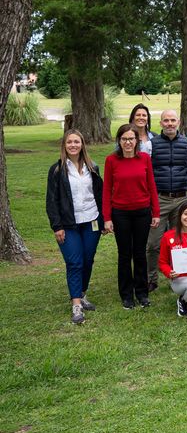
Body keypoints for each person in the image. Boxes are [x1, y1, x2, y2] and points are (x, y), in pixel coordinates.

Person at [46, 129, 104, 324]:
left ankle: (82, 293)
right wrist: (57, 226)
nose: (73, 145)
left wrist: (104, 220)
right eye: (69, 142)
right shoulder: (57, 170)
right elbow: (51, 202)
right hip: (69, 225)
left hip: (91, 221)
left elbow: (100, 195)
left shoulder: (92, 167)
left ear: (82, 144)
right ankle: (76, 304)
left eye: (76, 142)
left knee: (87, 261)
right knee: (74, 262)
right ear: (64, 145)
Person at [103, 124, 160, 309]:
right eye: (124, 139)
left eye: (131, 139)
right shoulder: (111, 160)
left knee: (140, 253)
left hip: (142, 212)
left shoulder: (144, 159)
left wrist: (156, 212)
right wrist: (107, 217)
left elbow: (152, 186)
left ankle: (142, 293)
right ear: (119, 141)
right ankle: (126, 295)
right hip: (120, 213)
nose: (128, 142)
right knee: (125, 255)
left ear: (137, 141)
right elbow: (106, 190)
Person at [146, 109, 187, 290]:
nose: (169, 123)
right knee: (153, 243)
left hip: (181, 198)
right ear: (160, 123)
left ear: (178, 122)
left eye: (172, 120)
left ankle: (180, 275)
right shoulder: (151, 145)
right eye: (166, 120)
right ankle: (151, 277)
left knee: (181, 241)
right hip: (160, 199)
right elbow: (148, 173)